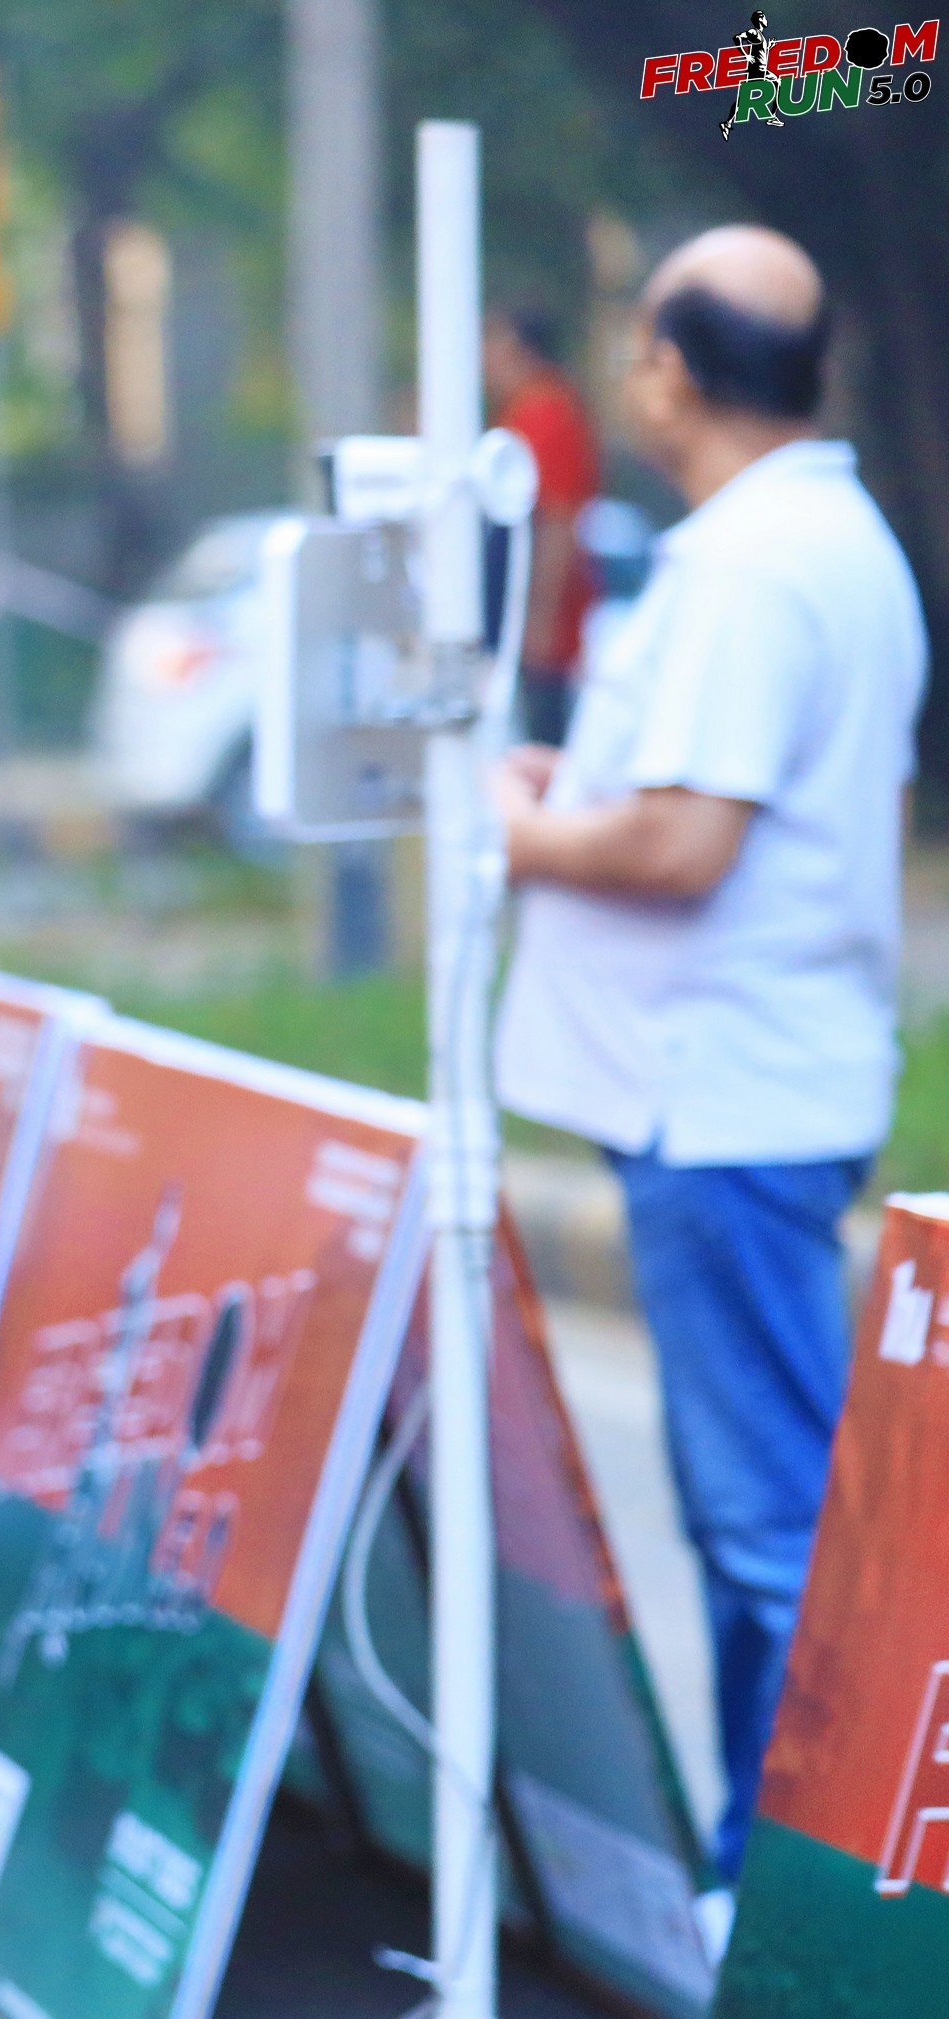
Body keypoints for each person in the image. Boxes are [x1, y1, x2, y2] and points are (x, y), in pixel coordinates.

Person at [493, 226, 928, 1913]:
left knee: (769, 1528)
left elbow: (684, 844)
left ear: (672, 370)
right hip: (758, 1085)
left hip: (726, 1100)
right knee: (758, 1512)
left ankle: (815, 1907)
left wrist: (520, 833)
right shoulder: (829, 536)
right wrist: (580, 799)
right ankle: (764, 1877)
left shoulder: (752, 566)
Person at [483, 307, 602, 746]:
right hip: (521, 618)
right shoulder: (525, 410)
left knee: (536, 740)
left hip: (538, 627)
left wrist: (539, 618)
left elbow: (557, 521)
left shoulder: (547, 412)